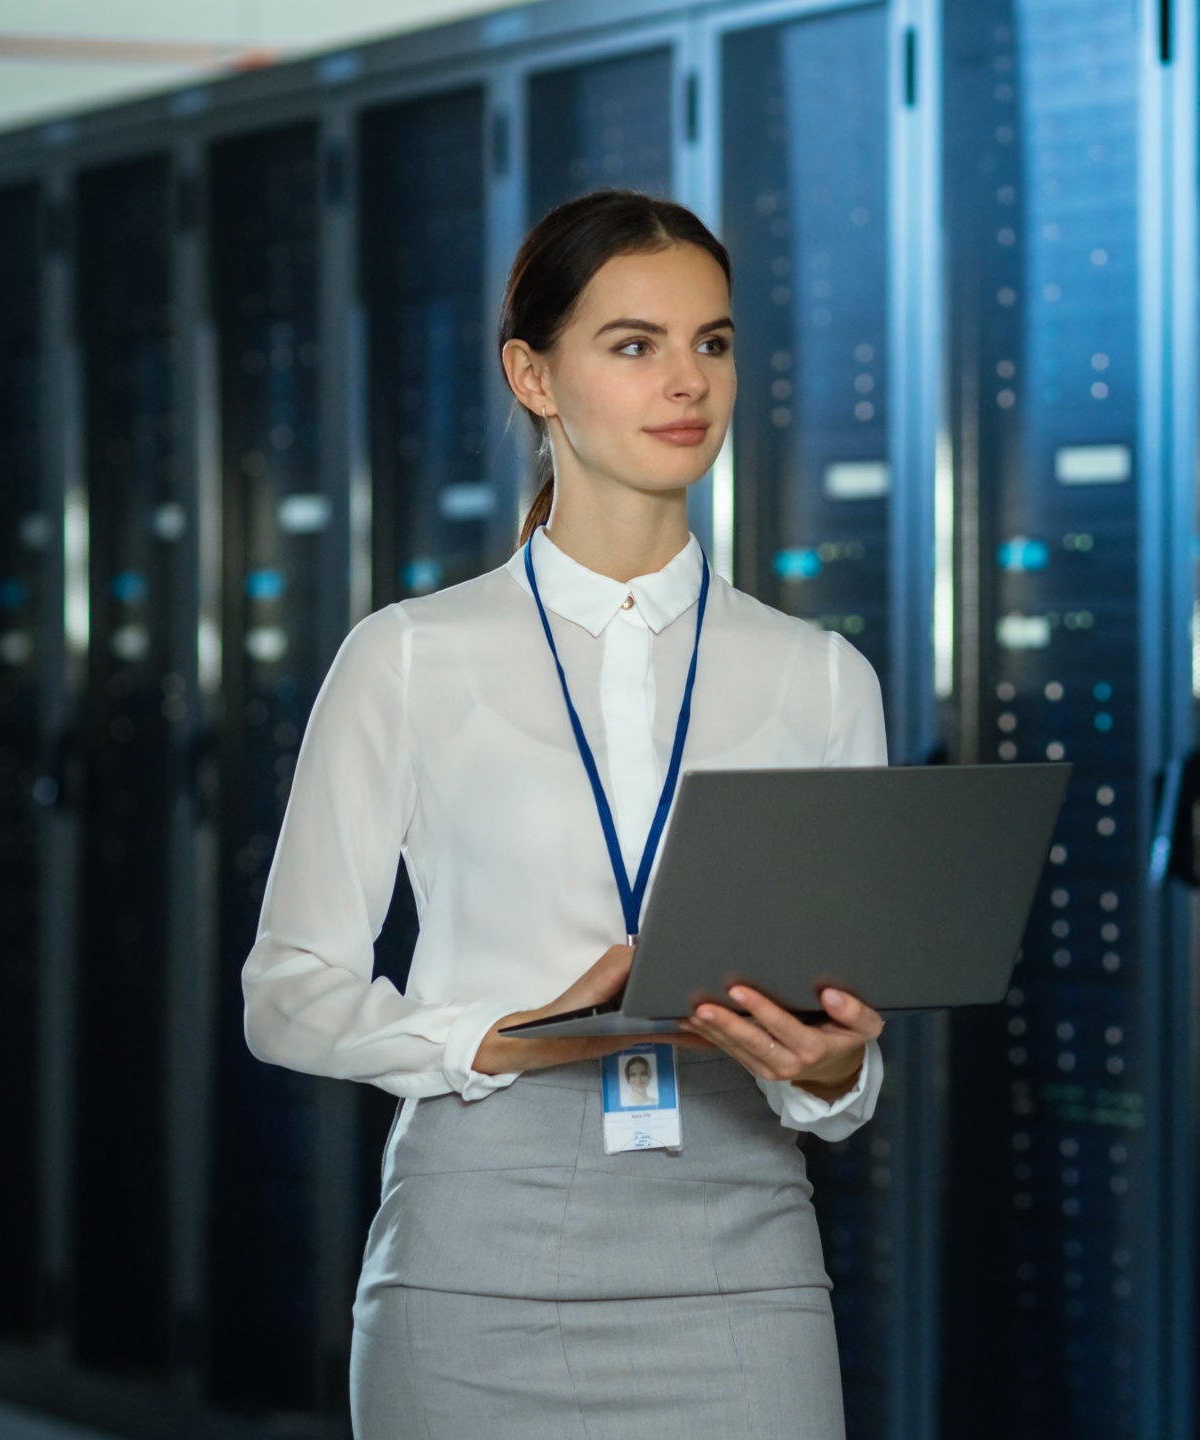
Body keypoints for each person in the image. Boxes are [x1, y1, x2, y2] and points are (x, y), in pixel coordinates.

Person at [240, 188, 883, 1439]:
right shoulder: (410, 655)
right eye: (633, 345)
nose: (686, 381)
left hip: (741, 1254)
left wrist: (841, 1065)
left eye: (713, 341)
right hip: (474, 1258)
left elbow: (844, 1046)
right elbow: (290, 993)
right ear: (532, 376)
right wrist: (511, 1036)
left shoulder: (817, 674)